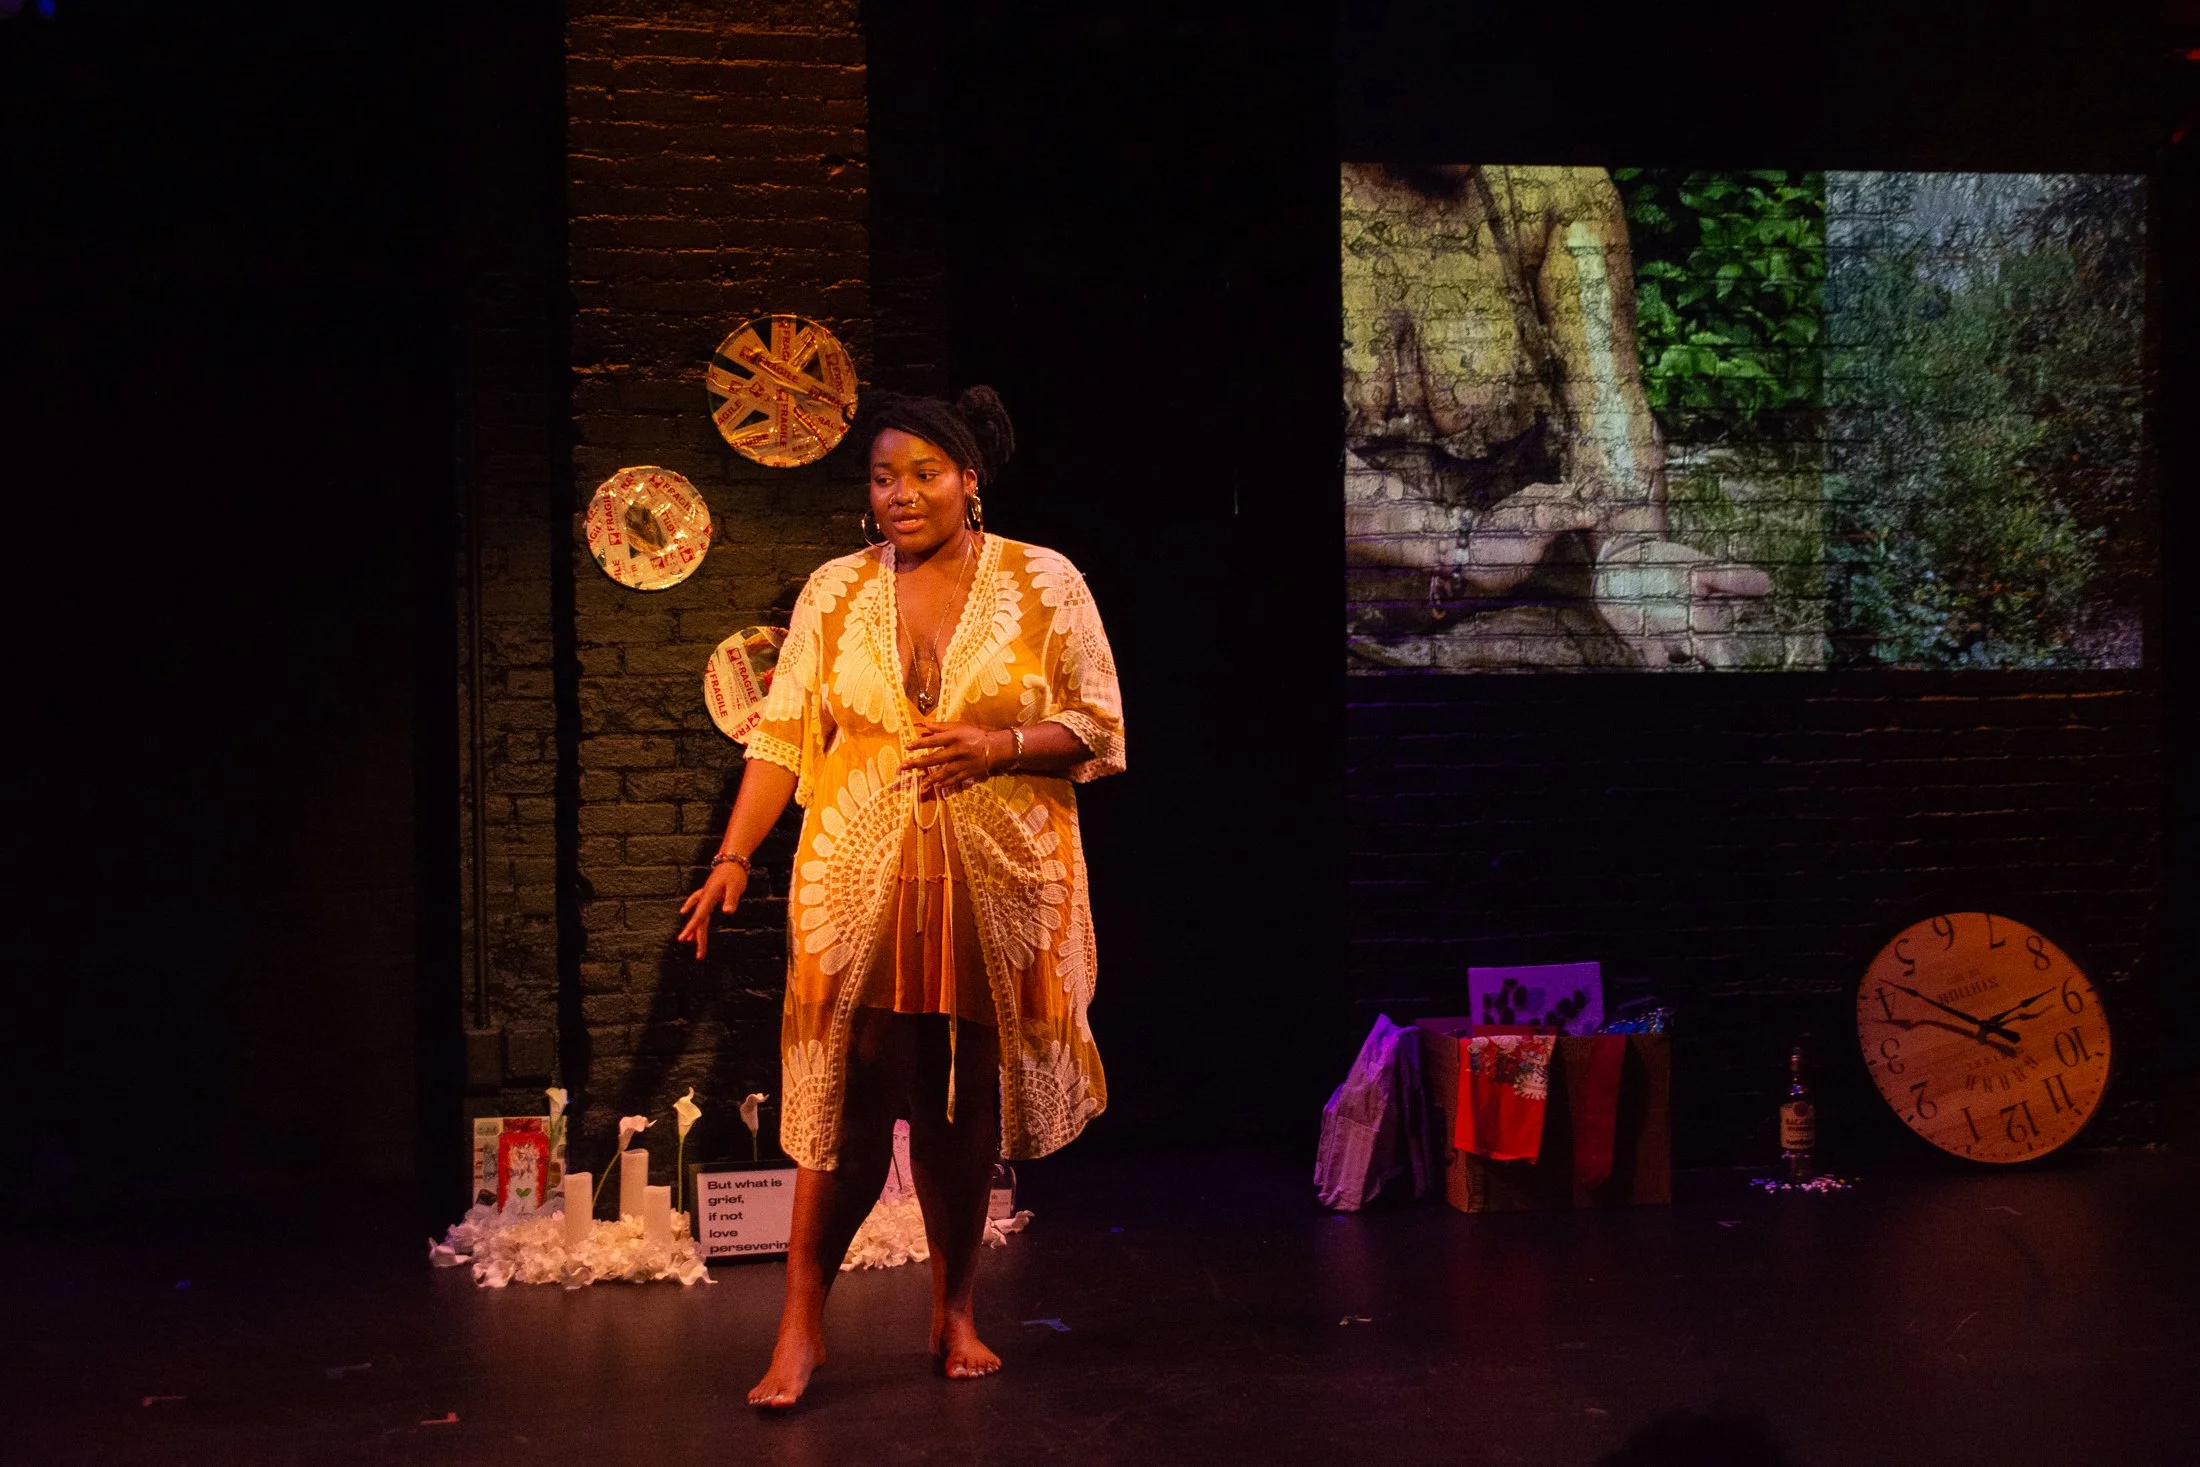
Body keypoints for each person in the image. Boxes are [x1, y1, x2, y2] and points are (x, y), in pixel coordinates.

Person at [677, 387, 1125, 1408]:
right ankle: (800, 1327)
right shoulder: (835, 590)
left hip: (992, 877)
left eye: (925, 473)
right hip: (858, 876)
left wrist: (1000, 745)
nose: (903, 494)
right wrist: (733, 856)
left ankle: (954, 1311)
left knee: (959, 1093)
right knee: (847, 1096)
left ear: (970, 479)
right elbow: (783, 736)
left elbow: (1098, 726)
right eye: (885, 477)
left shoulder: (1045, 581)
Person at [1341, 163, 1773, 668]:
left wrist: (1629, 549)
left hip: (1514, 611)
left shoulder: (1557, 187)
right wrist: (1453, 542)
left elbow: (1609, 404)